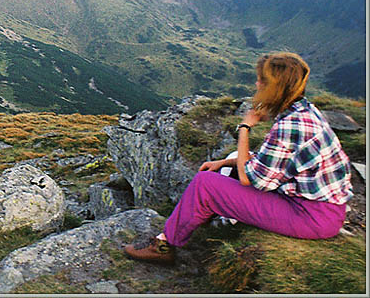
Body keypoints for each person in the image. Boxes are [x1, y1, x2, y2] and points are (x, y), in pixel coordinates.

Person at [124, 52, 353, 264]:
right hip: (322, 209)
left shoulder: (290, 125)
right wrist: (224, 162)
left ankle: (164, 246)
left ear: (275, 87)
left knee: (206, 184)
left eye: (262, 81)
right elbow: (271, 165)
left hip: (310, 216)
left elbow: (249, 178)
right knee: (234, 159)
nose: (257, 84)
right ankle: (212, 218)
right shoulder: (305, 111)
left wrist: (245, 125)